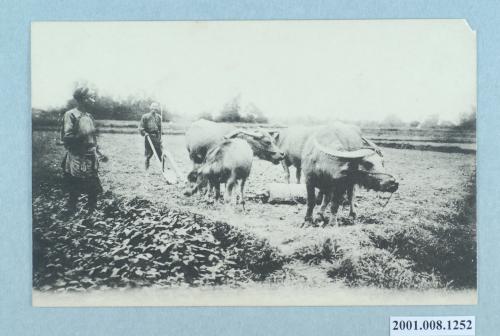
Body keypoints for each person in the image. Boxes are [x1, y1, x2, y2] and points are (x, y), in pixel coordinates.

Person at [61, 87, 106, 215]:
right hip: (77, 154)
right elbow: (67, 136)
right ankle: (70, 212)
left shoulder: (89, 116)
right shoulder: (71, 115)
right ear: (82, 99)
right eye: (91, 97)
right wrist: (82, 140)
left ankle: (91, 212)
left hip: (90, 155)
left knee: (93, 187)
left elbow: (93, 138)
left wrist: (99, 151)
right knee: (75, 185)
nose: (93, 100)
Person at [138, 102, 163, 170]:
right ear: (150, 108)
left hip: (156, 136)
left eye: (155, 108)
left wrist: (160, 137)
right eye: (152, 108)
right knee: (149, 153)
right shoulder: (145, 116)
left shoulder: (159, 117)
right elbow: (141, 127)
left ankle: (162, 168)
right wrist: (144, 133)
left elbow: (160, 128)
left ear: (157, 109)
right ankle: (147, 164)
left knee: (159, 152)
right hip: (148, 136)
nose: (154, 109)